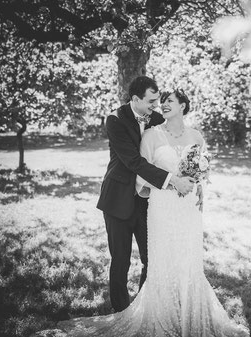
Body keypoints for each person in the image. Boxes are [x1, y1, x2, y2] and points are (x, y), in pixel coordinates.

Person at [57, 89, 249, 336]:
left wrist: (200, 186)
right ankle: (146, 311)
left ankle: (185, 309)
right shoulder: (149, 134)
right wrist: (171, 184)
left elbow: (202, 168)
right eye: (160, 101)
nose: (162, 105)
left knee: (186, 260)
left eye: (168, 101)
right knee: (147, 259)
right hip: (159, 205)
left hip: (188, 209)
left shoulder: (196, 136)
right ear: (136, 99)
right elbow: (140, 172)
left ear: (183, 105)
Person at [95, 76, 196, 312]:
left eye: (157, 100)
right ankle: (121, 311)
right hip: (117, 198)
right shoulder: (115, 120)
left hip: (146, 201)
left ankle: (143, 308)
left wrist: (190, 166)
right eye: (151, 101)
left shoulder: (157, 118)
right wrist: (173, 181)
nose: (156, 105)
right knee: (120, 261)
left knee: (151, 258)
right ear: (135, 99)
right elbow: (133, 161)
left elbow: (172, 140)